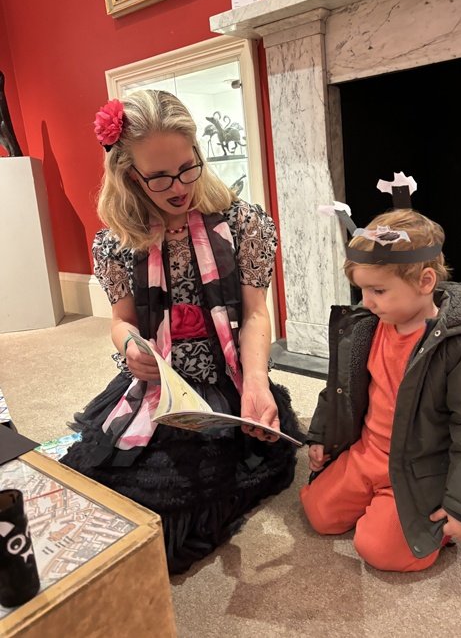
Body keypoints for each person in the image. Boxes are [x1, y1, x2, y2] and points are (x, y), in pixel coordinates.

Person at [62, 90, 301, 573]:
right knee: (104, 482)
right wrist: (130, 346)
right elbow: (121, 322)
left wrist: (256, 382)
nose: (179, 187)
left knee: (182, 505)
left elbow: (256, 313)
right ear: (129, 174)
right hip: (158, 384)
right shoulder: (116, 242)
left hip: (226, 377)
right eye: (160, 177)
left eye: (188, 168)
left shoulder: (243, 223)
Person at [300, 207, 461, 572]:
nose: (367, 301)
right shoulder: (367, 326)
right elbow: (339, 387)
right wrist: (322, 435)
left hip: (422, 468)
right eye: (362, 289)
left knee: (379, 551)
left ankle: (431, 524)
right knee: (317, 512)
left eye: (379, 290)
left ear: (425, 281)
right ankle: (379, 502)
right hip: (368, 453)